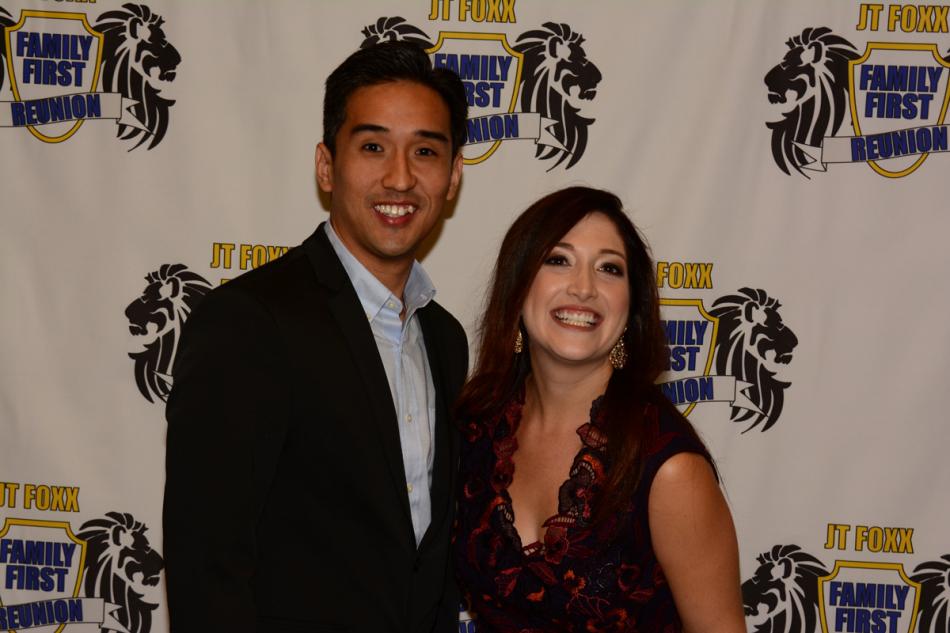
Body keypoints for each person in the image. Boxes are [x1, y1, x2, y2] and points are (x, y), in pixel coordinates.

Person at [163, 41, 469, 632]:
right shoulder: (250, 322)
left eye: (425, 151)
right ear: (327, 166)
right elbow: (207, 569)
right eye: (373, 146)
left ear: (453, 175)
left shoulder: (445, 338)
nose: (400, 177)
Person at [453, 187, 745, 632]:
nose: (584, 288)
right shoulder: (476, 427)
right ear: (518, 287)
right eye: (558, 260)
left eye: (609, 268)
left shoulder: (669, 469)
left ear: (631, 307)